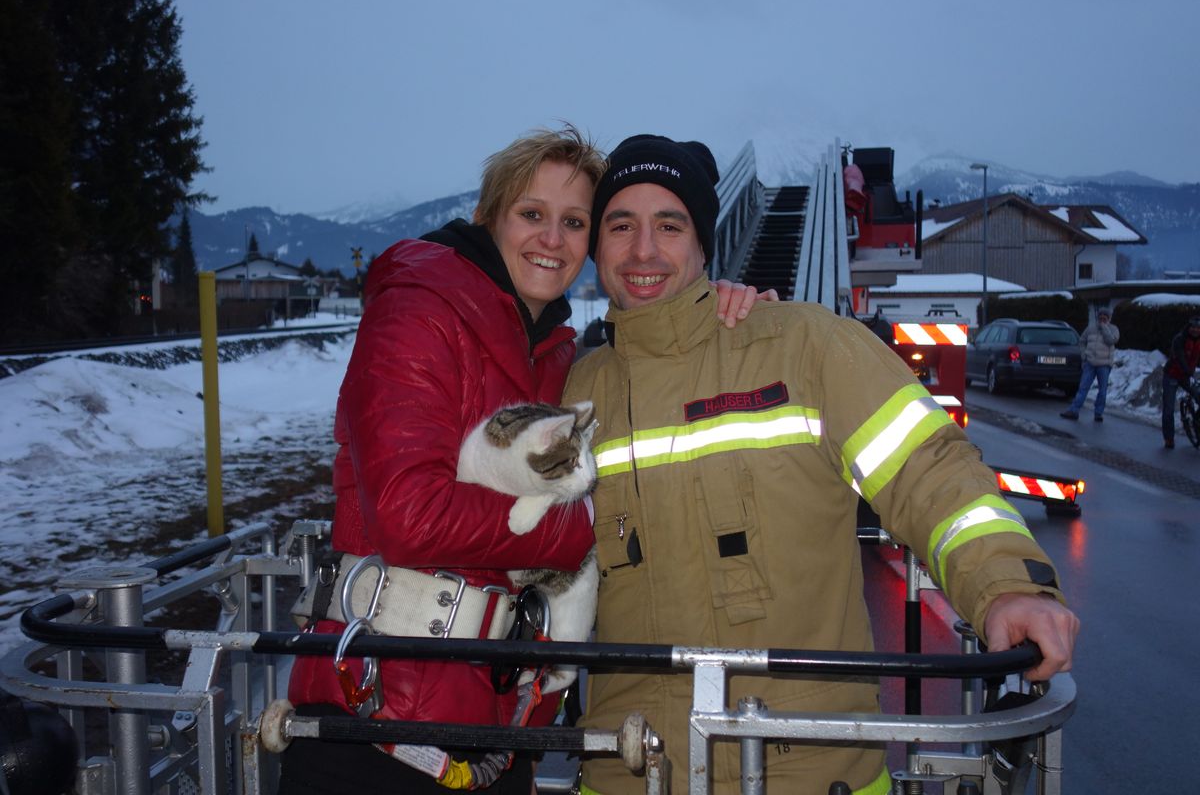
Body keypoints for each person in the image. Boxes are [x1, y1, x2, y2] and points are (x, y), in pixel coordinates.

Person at [563, 134, 1080, 795]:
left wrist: (1008, 584)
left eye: (669, 224)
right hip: (627, 773)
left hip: (812, 769)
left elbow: (931, 470)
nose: (643, 251)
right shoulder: (578, 394)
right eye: (620, 226)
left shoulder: (808, 346)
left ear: (701, 243)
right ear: (596, 247)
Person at [279, 126, 768, 795]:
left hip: (498, 730)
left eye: (574, 222)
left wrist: (735, 315)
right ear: (488, 218)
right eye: (531, 215)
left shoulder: (558, 357)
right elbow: (408, 513)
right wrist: (576, 531)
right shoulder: (419, 313)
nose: (552, 239)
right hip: (377, 716)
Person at [1060, 306, 1119, 422]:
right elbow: (1082, 341)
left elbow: (1111, 340)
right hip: (1090, 363)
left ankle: (1098, 413)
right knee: (1083, 388)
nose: (1102, 318)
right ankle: (1074, 410)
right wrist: (1084, 356)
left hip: (1104, 364)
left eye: (1105, 316)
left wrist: (1104, 328)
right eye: (1101, 316)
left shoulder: (1113, 329)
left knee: (1102, 391)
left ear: (1109, 318)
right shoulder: (1090, 328)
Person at [1161, 314, 1200, 449]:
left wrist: (1190, 373)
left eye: (1198, 328)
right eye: (1193, 327)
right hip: (1172, 375)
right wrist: (1188, 372)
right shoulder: (1179, 339)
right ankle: (1169, 438)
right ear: (1189, 327)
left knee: (1198, 395)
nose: (1195, 330)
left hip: (1186, 375)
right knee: (1169, 409)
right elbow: (1180, 357)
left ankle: (1196, 423)